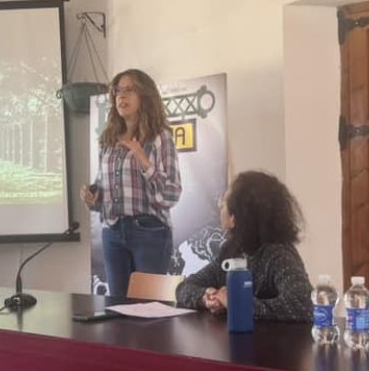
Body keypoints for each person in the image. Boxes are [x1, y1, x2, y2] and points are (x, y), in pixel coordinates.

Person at [81, 69, 182, 296]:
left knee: (149, 311)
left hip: (149, 232)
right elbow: (103, 187)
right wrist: (93, 195)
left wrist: (144, 160)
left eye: (129, 90)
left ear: (145, 96)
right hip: (113, 232)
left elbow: (172, 194)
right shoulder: (108, 139)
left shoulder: (160, 136)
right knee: (117, 311)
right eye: (117, 91)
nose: (121, 96)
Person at [176, 171, 313, 322]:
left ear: (235, 217)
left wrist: (238, 304)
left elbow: (304, 305)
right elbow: (184, 287)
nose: (220, 204)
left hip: (274, 343)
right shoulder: (232, 251)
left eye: (225, 200)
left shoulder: (279, 255)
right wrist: (206, 297)